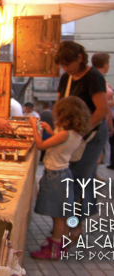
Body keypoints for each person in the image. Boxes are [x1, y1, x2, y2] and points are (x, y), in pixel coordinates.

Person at [55, 41, 109, 240]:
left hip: (92, 135)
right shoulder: (66, 78)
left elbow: (102, 110)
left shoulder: (94, 77)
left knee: (78, 179)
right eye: (62, 64)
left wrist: (82, 132)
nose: (65, 68)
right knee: (74, 179)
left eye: (67, 63)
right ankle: (71, 226)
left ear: (79, 58)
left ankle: (74, 227)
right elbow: (60, 105)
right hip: (75, 135)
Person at [29, 96, 91, 260]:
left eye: (58, 113)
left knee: (57, 216)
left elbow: (41, 145)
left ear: (65, 115)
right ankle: (60, 244)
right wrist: (50, 131)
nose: (56, 116)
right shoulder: (74, 133)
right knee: (63, 215)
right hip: (64, 173)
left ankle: (54, 249)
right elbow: (60, 143)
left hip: (55, 177)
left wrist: (34, 128)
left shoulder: (65, 134)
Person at [91, 52, 114, 169]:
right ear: (105, 65)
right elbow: (102, 104)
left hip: (104, 119)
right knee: (98, 153)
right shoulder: (97, 78)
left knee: (99, 153)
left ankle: (94, 174)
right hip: (101, 120)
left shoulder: (98, 78)